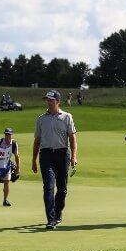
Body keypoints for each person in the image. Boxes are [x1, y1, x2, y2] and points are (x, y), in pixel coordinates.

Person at [32, 90, 77, 229]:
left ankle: (58, 212)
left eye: (51, 100)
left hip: (62, 154)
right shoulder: (41, 119)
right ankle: (51, 219)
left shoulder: (67, 117)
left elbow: (72, 138)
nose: (49, 102)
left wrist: (74, 156)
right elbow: (37, 141)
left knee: (62, 189)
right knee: (48, 187)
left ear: (58, 101)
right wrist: (34, 160)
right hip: (46, 155)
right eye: (47, 100)